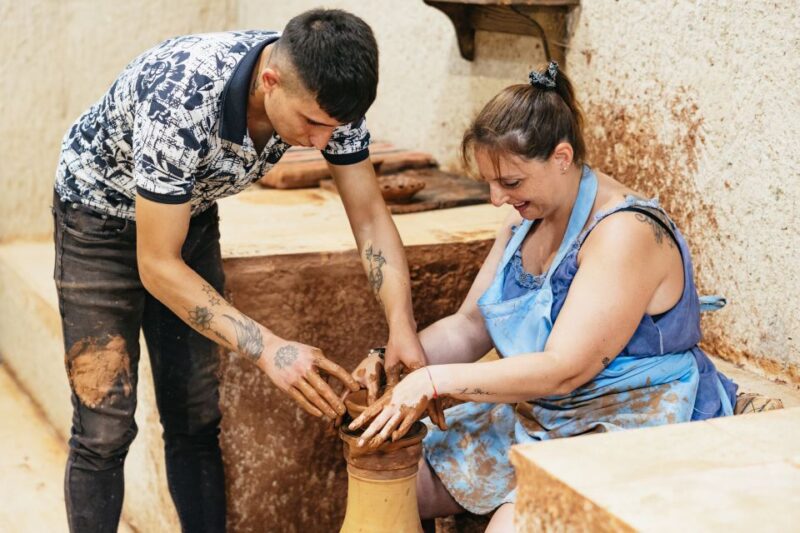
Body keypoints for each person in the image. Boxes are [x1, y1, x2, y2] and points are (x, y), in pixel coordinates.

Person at [53, 9, 432, 532]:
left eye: (335, 129)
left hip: (186, 214)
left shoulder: (329, 100)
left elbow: (369, 217)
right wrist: (268, 347)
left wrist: (401, 327)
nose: (324, 143)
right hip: (97, 222)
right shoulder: (181, 97)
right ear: (270, 80)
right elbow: (156, 264)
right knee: (104, 425)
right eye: (313, 126)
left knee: (195, 416)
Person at [348, 62, 738, 532]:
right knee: (391, 475)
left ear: (561, 157)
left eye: (510, 183)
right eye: (489, 182)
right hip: (549, 412)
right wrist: (393, 363)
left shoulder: (624, 233)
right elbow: (471, 325)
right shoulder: (524, 220)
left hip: (632, 415)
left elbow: (562, 369)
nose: (496, 198)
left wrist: (432, 382)